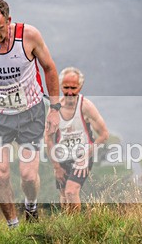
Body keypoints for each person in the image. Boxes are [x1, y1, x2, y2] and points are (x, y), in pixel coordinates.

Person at [0, 0, 61, 228]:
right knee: (0, 174)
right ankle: (13, 225)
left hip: (30, 113)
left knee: (28, 175)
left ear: (9, 21)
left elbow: (49, 68)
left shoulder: (28, 36)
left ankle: (31, 206)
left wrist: (55, 109)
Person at [45, 67, 109, 212]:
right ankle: (67, 223)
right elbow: (48, 139)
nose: (69, 92)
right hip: (62, 156)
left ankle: (75, 223)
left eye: (73, 88)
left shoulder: (86, 106)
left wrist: (85, 156)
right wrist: (56, 167)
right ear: (60, 86)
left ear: (80, 87)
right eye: (65, 87)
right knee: (63, 195)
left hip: (82, 156)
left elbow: (104, 135)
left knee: (71, 191)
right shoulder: (54, 109)